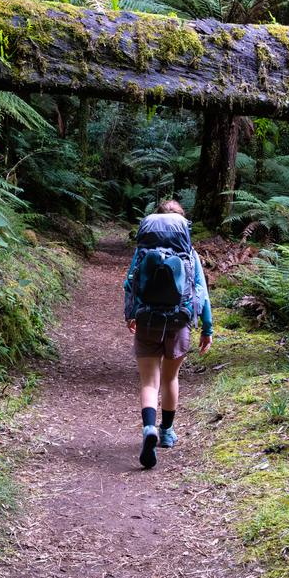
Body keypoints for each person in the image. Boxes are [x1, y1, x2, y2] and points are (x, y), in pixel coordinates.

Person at [123, 199, 212, 469]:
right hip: (179, 320)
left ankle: (148, 427)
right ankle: (167, 431)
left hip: (148, 317)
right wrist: (207, 328)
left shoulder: (142, 251)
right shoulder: (189, 254)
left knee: (149, 381)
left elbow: (129, 283)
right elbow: (201, 291)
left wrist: (130, 314)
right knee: (170, 377)